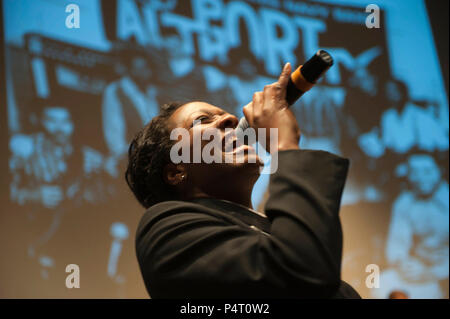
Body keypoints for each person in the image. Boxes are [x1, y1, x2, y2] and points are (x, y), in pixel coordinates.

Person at [126, 63, 361, 298]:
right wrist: (285, 146)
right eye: (202, 121)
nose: (230, 118)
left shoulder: (277, 227)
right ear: (176, 172)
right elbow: (300, 275)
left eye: (224, 114)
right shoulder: (165, 227)